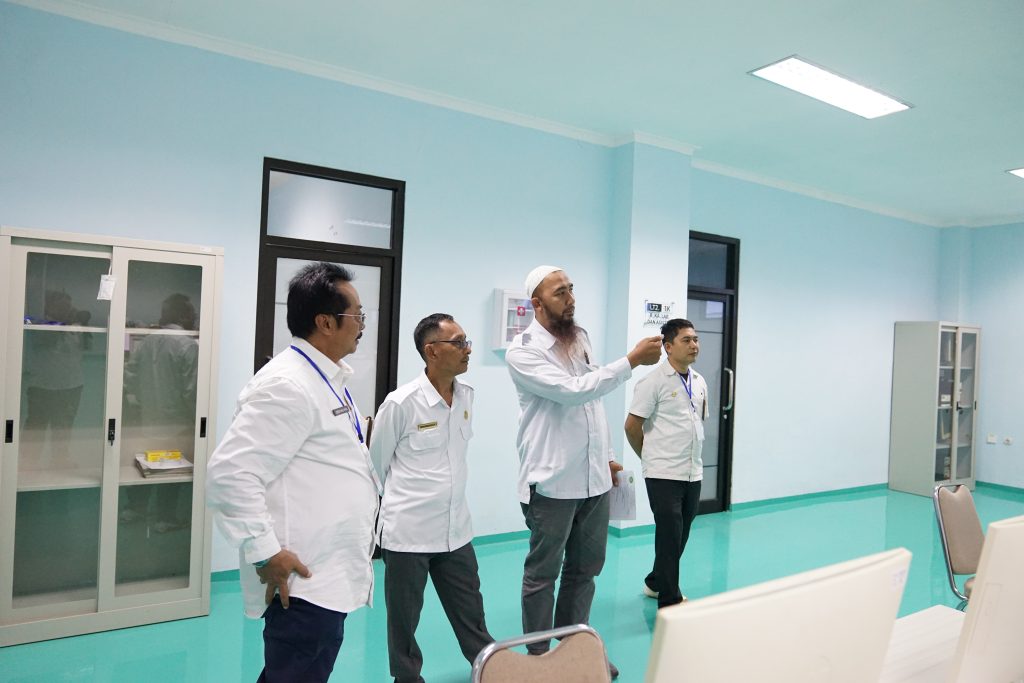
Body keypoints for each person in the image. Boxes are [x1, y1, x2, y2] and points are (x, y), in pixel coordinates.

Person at [207, 262, 379, 683]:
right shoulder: (288, 384)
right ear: (325, 322)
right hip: (301, 579)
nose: (362, 324)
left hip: (326, 571)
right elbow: (230, 474)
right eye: (357, 314)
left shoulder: (327, 376)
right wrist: (266, 552)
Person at [505, 265, 662, 678]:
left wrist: (607, 455)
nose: (570, 298)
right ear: (537, 303)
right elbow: (573, 392)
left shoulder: (580, 338)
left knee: (585, 570)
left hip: (593, 479)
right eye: (560, 292)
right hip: (552, 483)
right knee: (542, 575)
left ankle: (574, 651)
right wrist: (631, 361)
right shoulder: (523, 351)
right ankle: (540, 661)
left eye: (571, 289)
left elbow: (593, 400)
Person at [370, 313, 493, 683]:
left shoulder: (467, 396)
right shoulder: (402, 403)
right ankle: (406, 678)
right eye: (458, 342)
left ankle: (490, 668)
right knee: (404, 620)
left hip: (456, 530)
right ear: (432, 351)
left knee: (472, 612)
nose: (467, 349)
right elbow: (375, 466)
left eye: (466, 341)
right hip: (409, 533)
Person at [624, 318, 708, 609]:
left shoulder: (699, 381)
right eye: (686, 340)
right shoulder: (652, 382)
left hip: (692, 471)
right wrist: (649, 458)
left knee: (680, 534)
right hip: (663, 473)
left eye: (695, 339)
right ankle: (670, 601)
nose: (694, 345)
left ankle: (655, 582)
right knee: (670, 534)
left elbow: (697, 423)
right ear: (668, 347)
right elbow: (632, 427)